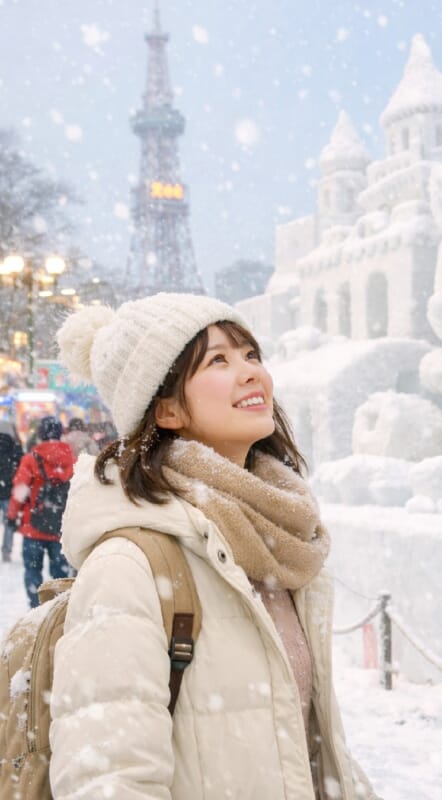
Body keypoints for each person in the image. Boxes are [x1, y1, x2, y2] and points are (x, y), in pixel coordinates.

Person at [52, 293, 379, 800]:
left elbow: (308, 747)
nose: (251, 373)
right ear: (165, 410)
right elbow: (108, 778)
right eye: (218, 361)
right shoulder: (130, 564)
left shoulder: (284, 541)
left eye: (251, 355)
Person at [7, 416, 75, 606]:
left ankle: (36, 608)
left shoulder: (31, 459)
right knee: (60, 575)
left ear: (40, 434)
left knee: (32, 570)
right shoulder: (72, 460)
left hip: (32, 525)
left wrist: (12, 516)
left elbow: (20, 491)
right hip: (60, 528)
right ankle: (57, 609)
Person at [0, 420, 23, 562]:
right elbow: (21, 468)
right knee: (9, 521)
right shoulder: (15, 446)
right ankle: (6, 550)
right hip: (9, 490)